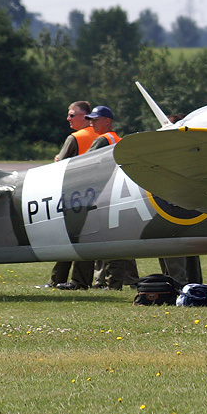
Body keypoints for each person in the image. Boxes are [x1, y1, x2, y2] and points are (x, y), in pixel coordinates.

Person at [85, 106, 139, 289]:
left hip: (104, 195)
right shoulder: (117, 139)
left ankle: (108, 282)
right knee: (125, 240)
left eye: (95, 119)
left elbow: (85, 165)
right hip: (120, 193)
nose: (91, 122)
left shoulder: (102, 140)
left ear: (107, 121)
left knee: (107, 240)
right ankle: (131, 279)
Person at [44, 101, 95, 290]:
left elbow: (60, 166)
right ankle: (94, 281)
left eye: (72, 115)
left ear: (85, 116)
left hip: (75, 195)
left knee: (69, 237)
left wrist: (57, 158)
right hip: (98, 193)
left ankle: (61, 280)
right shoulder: (105, 136)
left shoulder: (75, 138)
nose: (68, 118)